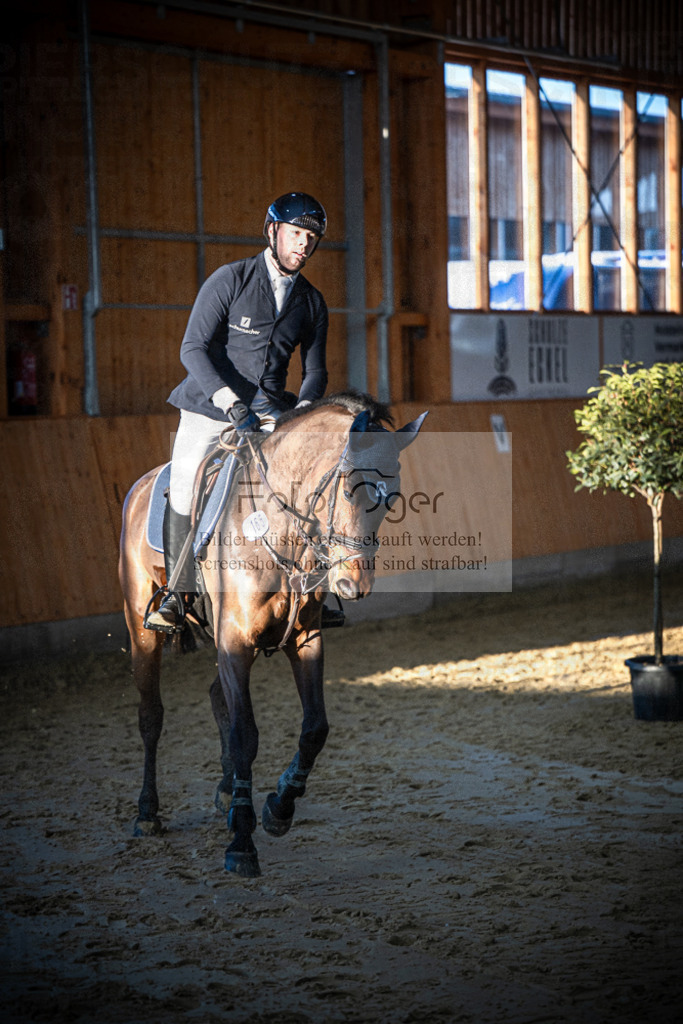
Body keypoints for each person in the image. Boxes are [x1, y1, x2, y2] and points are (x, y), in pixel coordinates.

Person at [146, 192, 333, 632]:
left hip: (271, 413)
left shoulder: (311, 302)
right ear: (273, 231)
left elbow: (316, 370)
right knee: (188, 479)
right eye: (295, 234)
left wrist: (303, 413)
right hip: (210, 407)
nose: (303, 244)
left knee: (311, 484)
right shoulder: (230, 279)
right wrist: (229, 401)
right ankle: (177, 591)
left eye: (310, 237)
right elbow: (191, 348)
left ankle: (314, 585)